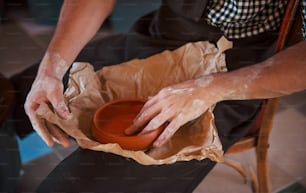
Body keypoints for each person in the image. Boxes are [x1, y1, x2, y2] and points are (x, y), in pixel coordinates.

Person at [12, 0, 306, 192]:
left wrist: (209, 88)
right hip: (159, 38)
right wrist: (51, 66)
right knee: (9, 99)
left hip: (233, 68)